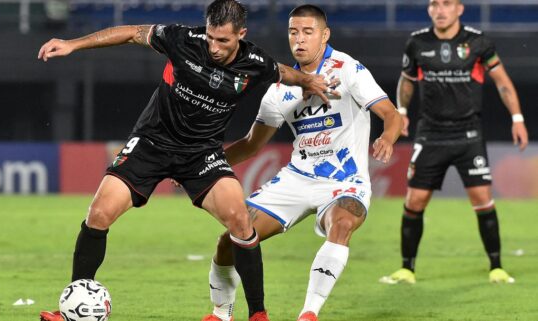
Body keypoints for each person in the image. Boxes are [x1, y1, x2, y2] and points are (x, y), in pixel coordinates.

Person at [36, 1, 335, 321]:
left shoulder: (255, 62)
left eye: (224, 41)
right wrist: (73, 44)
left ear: (241, 35)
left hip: (201, 153)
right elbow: (131, 33)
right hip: (151, 144)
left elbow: (282, 71)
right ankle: (73, 304)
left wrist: (307, 81)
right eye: (210, 37)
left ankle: (258, 314)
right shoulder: (182, 40)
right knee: (99, 213)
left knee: (240, 219)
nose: (215, 47)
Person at [200, 5, 402, 321]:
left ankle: (309, 313)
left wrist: (388, 137)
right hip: (297, 178)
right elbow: (252, 144)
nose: (300, 40)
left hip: (343, 180)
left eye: (308, 32)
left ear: (324, 35)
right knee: (231, 239)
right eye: (294, 32)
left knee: (343, 223)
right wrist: (204, 163)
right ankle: (221, 312)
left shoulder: (347, 69)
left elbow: (391, 114)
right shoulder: (280, 89)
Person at [379, 0, 528, 285]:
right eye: (434, 4)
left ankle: (497, 267)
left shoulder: (478, 42)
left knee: (482, 200)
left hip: (468, 134)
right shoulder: (417, 43)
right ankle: (406, 269)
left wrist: (518, 118)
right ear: (429, 10)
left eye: (447, 3)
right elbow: (407, 79)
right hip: (430, 133)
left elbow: (503, 82)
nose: (440, 9)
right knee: (415, 200)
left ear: (459, 8)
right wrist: (401, 112)